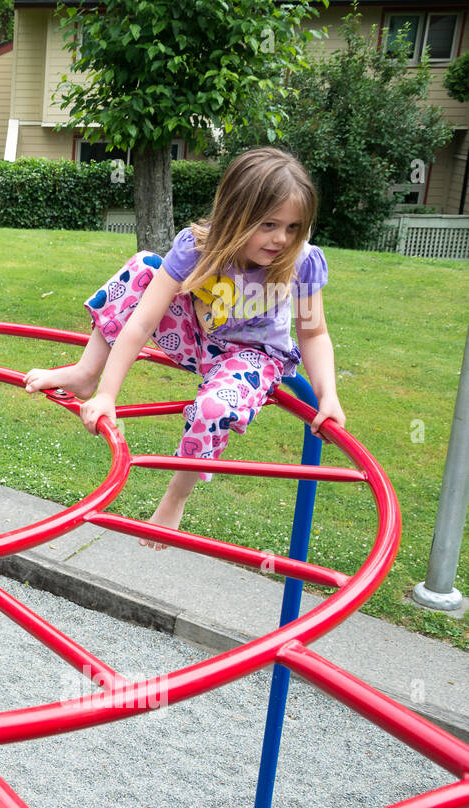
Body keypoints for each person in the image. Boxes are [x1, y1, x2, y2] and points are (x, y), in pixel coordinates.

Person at [23, 146, 345, 549]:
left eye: (294, 227)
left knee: (215, 409)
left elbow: (313, 334)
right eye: (268, 224)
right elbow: (142, 321)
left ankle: (176, 497)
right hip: (198, 339)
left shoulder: (302, 263)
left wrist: (328, 395)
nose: (281, 238)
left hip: (254, 357)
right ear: (235, 214)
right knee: (144, 266)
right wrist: (108, 393)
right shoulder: (196, 248)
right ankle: (88, 373)